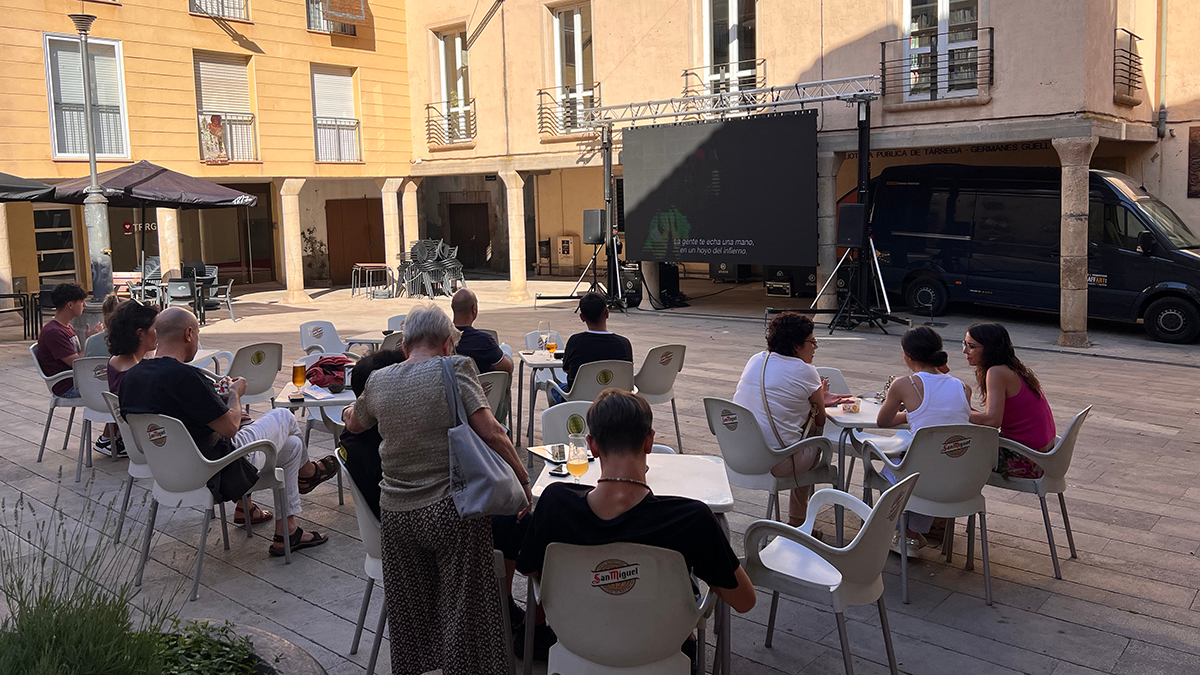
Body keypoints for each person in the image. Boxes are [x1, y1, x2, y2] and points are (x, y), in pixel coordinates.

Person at [343, 304, 531, 675]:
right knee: (464, 608)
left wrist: (353, 410)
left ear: (404, 344)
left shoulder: (379, 381)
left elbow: (355, 422)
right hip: (451, 509)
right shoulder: (456, 368)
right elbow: (491, 431)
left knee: (411, 616)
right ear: (448, 343)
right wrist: (522, 478)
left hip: (396, 516)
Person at [516, 389, 756, 668]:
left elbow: (528, 568)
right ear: (649, 440)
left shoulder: (555, 505)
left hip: (579, 647)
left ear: (592, 445)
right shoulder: (692, 520)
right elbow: (744, 600)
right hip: (663, 654)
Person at [119, 308, 335, 555]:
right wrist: (234, 394)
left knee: (292, 448)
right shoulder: (185, 377)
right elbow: (230, 428)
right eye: (198, 334)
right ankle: (309, 472)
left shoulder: (132, 378)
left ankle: (287, 530)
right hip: (218, 468)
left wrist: (212, 399)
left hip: (167, 471)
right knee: (284, 416)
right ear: (189, 334)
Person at [731, 312, 851, 530]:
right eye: (812, 341)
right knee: (812, 440)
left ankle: (797, 521)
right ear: (797, 346)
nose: (815, 347)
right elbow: (821, 421)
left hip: (740, 455)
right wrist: (819, 402)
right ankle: (797, 522)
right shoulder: (806, 371)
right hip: (778, 462)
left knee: (796, 435)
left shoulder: (756, 359)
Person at [876, 326, 972, 549]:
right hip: (958, 473)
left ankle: (897, 531)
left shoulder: (904, 384)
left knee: (894, 466)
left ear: (907, 355)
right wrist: (915, 414)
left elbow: (883, 421)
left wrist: (906, 413)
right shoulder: (963, 387)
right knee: (932, 462)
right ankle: (911, 534)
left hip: (919, 474)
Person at [963, 323, 1056, 478]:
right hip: (1045, 454)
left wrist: (954, 411)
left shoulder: (996, 372)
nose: (964, 351)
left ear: (989, 348)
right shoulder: (1011, 367)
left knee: (954, 454)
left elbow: (992, 420)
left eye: (971, 346)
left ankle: (955, 499)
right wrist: (965, 409)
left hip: (1028, 459)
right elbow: (991, 417)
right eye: (964, 344)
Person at [36, 283, 103, 399]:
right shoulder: (54, 332)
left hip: (78, 380)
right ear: (70, 305)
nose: (84, 304)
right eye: (81, 301)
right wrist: (90, 341)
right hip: (68, 387)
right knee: (115, 390)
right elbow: (78, 364)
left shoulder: (66, 327)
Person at [558, 291, 633, 394]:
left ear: (582, 317)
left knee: (556, 388)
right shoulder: (623, 343)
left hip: (578, 399)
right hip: (614, 400)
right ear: (607, 313)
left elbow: (566, 368)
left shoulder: (575, 342)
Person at [450, 288, 512, 375]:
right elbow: (507, 368)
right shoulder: (484, 341)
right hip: (483, 387)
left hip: (451, 386)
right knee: (506, 348)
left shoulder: (442, 338)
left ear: (452, 308)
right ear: (474, 309)